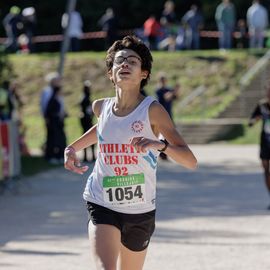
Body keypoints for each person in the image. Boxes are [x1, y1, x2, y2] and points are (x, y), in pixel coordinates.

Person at [64, 35, 197, 270]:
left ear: (144, 73)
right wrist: (72, 148)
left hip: (140, 208)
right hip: (101, 201)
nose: (125, 64)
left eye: (132, 61)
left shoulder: (153, 111)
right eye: (119, 61)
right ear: (110, 73)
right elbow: (104, 128)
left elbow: (190, 161)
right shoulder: (100, 107)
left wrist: (160, 145)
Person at [249, 84, 270, 210]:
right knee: (266, 173)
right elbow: (250, 123)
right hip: (265, 143)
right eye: (268, 92)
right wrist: (256, 119)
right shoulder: (261, 106)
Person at [79, 80, 95, 162]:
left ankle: (89, 156)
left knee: (87, 137)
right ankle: (88, 156)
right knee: (88, 137)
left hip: (86, 119)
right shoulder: (85, 99)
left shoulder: (85, 98)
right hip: (86, 120)